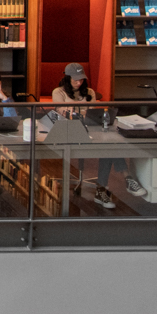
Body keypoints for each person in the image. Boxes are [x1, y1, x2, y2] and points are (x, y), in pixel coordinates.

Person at [52, 62, 147, 209]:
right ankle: (120, 181)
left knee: (110, 146)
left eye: (81, 79)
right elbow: (62, 111)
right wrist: (78, 112)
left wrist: (77, 112)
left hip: (90, 129)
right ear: (67, 78)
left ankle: (114, 185)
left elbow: (91, 114)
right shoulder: (59, 92)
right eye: (75, 79)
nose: (79, 82)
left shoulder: (89, 92)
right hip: (70, 131)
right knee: (108, 148)